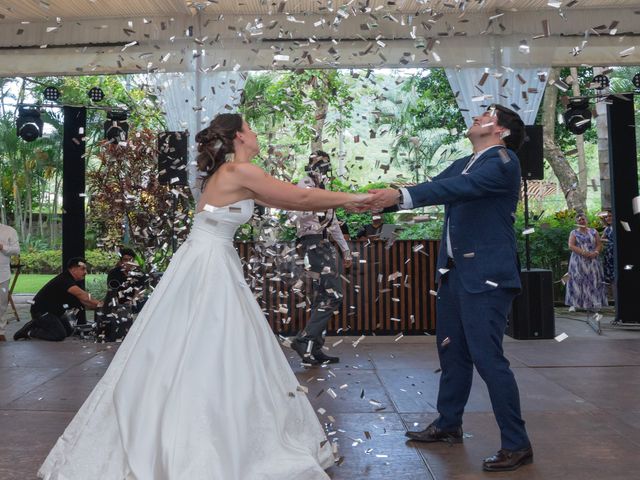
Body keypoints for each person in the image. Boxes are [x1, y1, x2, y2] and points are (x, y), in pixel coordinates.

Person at [38, 113, 370, 480]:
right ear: (240, 136)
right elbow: (301, 194)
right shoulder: (235, 172)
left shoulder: (232, 174)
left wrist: (345, 201)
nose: (257, 133)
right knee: (211, 343)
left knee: (204, 345)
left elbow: (294, 202)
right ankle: (200, 443)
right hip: (210, 262)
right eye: (253, 127)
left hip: (209, 257)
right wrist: (354, 199)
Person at [363, 104, 533, 472]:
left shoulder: (503, 162)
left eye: (487, 114)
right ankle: (448, 424)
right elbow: (437, 188)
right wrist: (379, 200)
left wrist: (398, 196)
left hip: (487, 276)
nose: (477, 115)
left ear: (501, 131)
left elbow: (459, 189)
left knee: (489, 360)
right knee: (452, 354)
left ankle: (517, 445)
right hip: (455, 274)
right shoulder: (463, 162)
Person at [290, 150, 352, 365]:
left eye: (326, 164)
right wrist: (316, 197)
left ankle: (314, 347)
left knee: (322, 296)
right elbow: (296, 212)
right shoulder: (304, 185)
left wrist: (346, 251)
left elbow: (334, 225)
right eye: (318, 164)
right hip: (312, 243)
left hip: (324, 243)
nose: (323, 168)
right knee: (333, 296)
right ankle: (304, 338)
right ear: (311, 166)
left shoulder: (325, 189)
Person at [13, 258, 103, 342]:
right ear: (73, 269)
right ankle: (30, 331)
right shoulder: (65, 279)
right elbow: (84, 296)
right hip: (41, 311)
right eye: (82, 269)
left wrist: (99, 307)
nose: (85, 272)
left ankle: (36, 324)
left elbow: (84, 301)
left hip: (54, 313)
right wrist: (101, 304)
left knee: (69, 331)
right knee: (59, 335)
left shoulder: (75, 281)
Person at [565, 212, 608, 311]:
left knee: (594, 280)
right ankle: (574, 304)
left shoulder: (594, 231)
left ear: (586, 220)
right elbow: (571, 245)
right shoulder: (574, 233)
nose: (581, 221)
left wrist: (596, 252)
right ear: (576, 222)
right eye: (579, 220)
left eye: (583, 219)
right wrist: (584, 252)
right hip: (578, 260)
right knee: (576, 280)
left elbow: (599, 244)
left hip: (593, 259)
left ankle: (594, 303)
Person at [105, 247, 148, 313]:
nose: (128, 262)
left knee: (145, 300)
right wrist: (120, 305)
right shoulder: (113, 273)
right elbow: (111, 291)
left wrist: (132, 301)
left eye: (131, 260)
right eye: (125, 260)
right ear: (121, 261)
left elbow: (139, 292)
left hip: (134, 301)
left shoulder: (140, 274)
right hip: (117, 302)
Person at [0, 222, 20, 342]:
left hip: (2, 274)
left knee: (1, 304)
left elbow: (16, 250)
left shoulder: (9, 230)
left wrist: (2, 247)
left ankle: (0, 331)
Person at [600, 210, 615, 290]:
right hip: (609, 254)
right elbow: (601, 239)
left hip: (617, 253)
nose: (608, 218)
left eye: (610, 216)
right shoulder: (607, 229)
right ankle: (616, 299)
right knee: (612, 279)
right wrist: (609, 241)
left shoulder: (619, 226)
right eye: (606, 217)